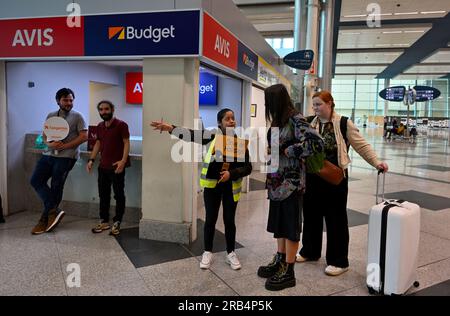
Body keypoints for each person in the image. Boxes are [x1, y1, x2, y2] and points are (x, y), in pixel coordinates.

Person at [297, 91, 388, 276]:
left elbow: (361, 145)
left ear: (330, 103)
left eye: (318, 104)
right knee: (311, 215)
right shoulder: (309, 123)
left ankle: (339, 261)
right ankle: (310, 251)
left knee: (335, 218)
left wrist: (376, 162)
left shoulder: (343, 123)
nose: (315, 108)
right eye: (313, 105)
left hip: (335, 178)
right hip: (313, 177)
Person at [150, 109, 252, 270]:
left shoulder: (240, 143)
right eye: (227, 119)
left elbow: (248, 168)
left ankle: (231, 253)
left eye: (233, 118)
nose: (232, 121)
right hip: (212, 187)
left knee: (229, 221)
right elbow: (191, 134)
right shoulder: (212, 136)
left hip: (231, 188)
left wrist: (231, 173)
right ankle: (207, 252)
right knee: (210, 220)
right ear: (220, 123)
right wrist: (170, 128)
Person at [256, 84, 324, 291]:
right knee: (279, 224)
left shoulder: (296, 118)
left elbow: (316, 144)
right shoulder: (277, 120)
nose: (267, 105)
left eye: (269, 101)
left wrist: (290, 150)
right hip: (276, 180)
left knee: (291, 225)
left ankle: (289, 270)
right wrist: (273, 149)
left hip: (291, 182)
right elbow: (277, 145)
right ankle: (280, 259)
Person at [30, 88, 88, 235]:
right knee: (36, 180)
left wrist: (65, 146)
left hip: (66, 157)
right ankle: (53, 210)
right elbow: (44, 135)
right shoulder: (51, 115)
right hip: (48, 154)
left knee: (56, 185)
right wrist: (49, 144)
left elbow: (83, 136)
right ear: (58, 101)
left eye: (71, 100)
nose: (69, 103)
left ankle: (44, 219)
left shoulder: (78, 116)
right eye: (65, 100)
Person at [86, 100, 130, 236]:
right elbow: (98, 143)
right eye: (101, 110)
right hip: (103, 166)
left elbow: (126, 142)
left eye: (106, 109)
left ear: (112, 109)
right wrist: (91, 159)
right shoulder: (100, 126)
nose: (103, 112)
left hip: (116, 166)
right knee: (103, 195)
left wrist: (123, 161)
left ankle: (117, 221)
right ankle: (104, 221)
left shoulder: (121, 125)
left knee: (118, 195)